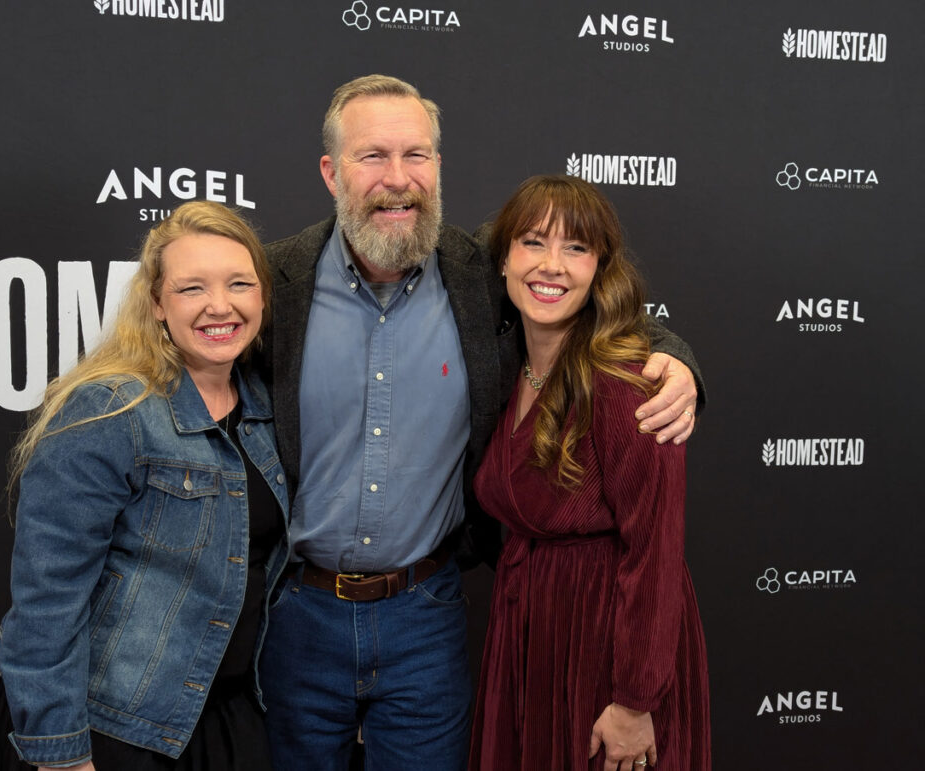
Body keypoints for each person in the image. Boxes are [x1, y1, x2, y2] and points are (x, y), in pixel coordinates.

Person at [258, 75, 705, 770]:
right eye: (373, 155)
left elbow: (584, 292)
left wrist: (677, 362)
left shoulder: (474, 269)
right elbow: (192, 339)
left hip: (426, 616)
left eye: (418, 155)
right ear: (331, 171)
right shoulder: (275, 281)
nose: (398, 180)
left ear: (439, 166)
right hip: (302, 618)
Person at [0, 201, 289, 770]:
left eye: (239, 283)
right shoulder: (109, 409)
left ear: (262, 297)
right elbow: (48, 599)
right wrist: (61, 755)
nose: (219, 305)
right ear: (156, 304)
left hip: (227, 714)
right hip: (114, 723)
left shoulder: (265, 407)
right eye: (192, 288)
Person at [469, 175, 711, 770]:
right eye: (533, 242)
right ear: (502, 259)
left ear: (599, 268)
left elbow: (654, 555)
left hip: (608, 647)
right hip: (532, 636)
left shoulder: (630, 385)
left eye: (576, 248)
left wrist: (634, 702)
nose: (552, 266)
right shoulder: (510, 370)